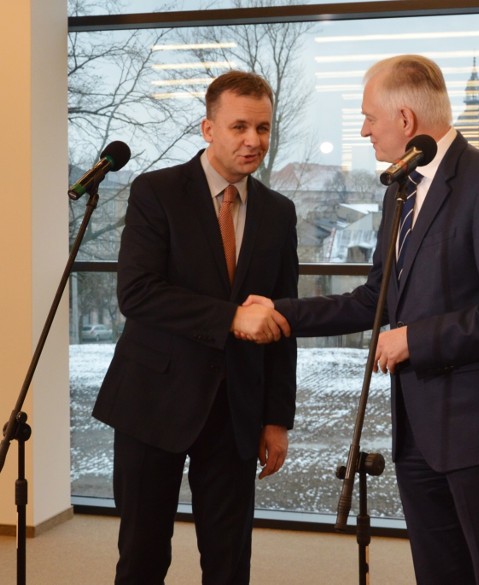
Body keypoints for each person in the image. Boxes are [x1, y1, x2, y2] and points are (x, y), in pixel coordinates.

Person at [243, 55, 479, 585]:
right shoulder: (402, 189)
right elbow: (375, 299)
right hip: (420, 431)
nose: (364, 130)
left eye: (369, 117)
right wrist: (282, 312)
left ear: (405, 120)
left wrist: (416, 338)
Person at [93, 70, 298, 585]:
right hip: (152, 401)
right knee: (141, 556)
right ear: (208, 129)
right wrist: (230, 317)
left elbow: (283, 320)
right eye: (239, 127)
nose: (254, 141)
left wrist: (276, 417)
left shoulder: (279, 212)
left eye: (264, 128)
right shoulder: (155, 191)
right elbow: (137, 293)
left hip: (236, 409)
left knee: (229, 563)